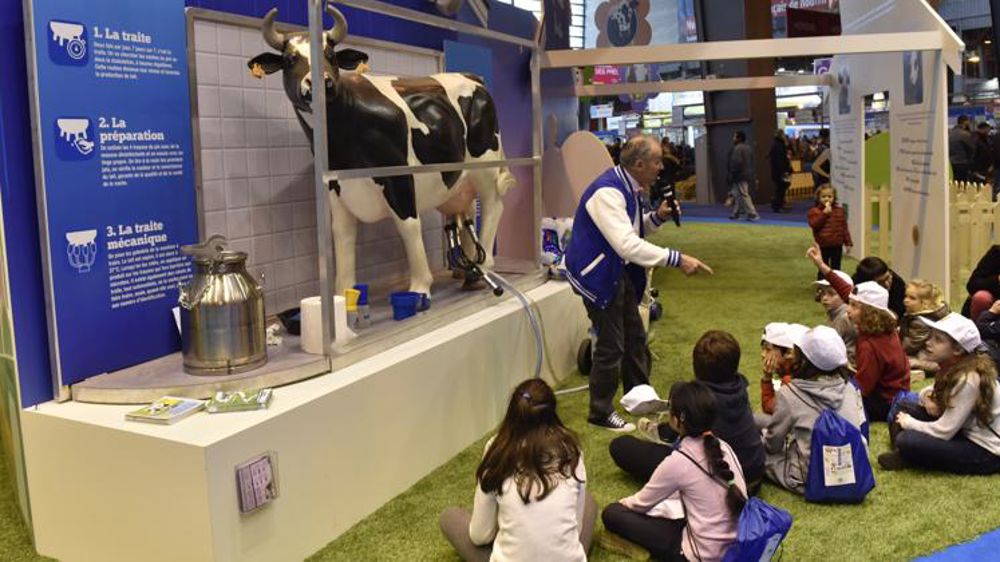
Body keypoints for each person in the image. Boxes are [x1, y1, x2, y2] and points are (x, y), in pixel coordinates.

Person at [564, 135, 713, 432]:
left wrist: (656, 217)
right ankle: (600, 411)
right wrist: (677, 258)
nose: (661, 167)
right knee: (611, 345)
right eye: (657, 161)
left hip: (616, 271)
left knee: (635, 336)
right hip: (597, 275)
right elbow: (627, 245)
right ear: (640, 163)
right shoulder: (608, 191)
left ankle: (638, 396)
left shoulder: (628, 187)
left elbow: (631, 230)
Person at [439, 379, 597, 561]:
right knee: (589, 504)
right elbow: (575, 530)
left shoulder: (496, 449)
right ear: (552, 412)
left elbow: (480, 535)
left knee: (450, 518)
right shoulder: (571, 449)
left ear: (512, 413)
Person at [602, 381, 747, 562]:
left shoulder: (678, 461)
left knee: (612, 513)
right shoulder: (725, 447)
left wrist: (623, 503)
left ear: (677, 420)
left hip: (699, 555)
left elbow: (640, 503)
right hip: (741, 542)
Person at [608, 330, 766, 493]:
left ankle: (663, 434)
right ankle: (663, 432)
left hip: (724, 484)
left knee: (620, 446)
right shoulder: (740, 386)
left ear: (696, 366)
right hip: (754, 474)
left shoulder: (698, 401)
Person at [879, 313, 1000, 474]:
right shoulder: (951, 366)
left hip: (986, 451)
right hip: (962, 431)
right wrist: (928, 399)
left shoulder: (968, 379)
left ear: (957, 349)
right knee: (904, 404)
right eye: (931, 337)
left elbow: (944, 431)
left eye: (938, 340)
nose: (928, 343)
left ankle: (907, 453)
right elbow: (927, 391)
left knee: (907, 439)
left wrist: (909, 423)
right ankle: (903, 454)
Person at [761, 325, 867, 494]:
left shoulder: (791, 393)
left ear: (803, 359)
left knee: (759, 453)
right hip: (856, 472)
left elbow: (772, 445)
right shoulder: (850, 387)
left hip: (812, 480)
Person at [809, 245, 910, 422]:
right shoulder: (884, 326)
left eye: (854, 307)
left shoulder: (869, 344)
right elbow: (847, 290)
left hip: (884, 401)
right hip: (896, 392)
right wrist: (822, 265)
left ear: (868, 312)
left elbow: (862, 388)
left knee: (829, 397)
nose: (848, 310)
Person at [757, 323, 808, 427]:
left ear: (789, 353)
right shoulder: (803, 370)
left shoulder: (790, 381)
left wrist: (767, 378)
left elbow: (769, 408)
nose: (763, 355)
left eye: (768, 350)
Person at [899, 279, 950, 376]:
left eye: (912, 298)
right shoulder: (927, 314)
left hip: (929, 357)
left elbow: (907, 347)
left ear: (925, 303)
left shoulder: (920, 323)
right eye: (906, 296)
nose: (906, 300)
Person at [807, 185, 852, 278]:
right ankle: (822, 288)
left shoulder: (839, 211)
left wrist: (848, 243)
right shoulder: (814, 211)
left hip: (837, 244)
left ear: (834, 198)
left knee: (836, 268)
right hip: (822, 245)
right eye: (823, 197)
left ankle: (836, 287)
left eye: (829, 196)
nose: (826, 199)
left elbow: (844, 228)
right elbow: (814, 224)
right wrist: (824, 214)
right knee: (823, 267)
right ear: (818, 198)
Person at [814, 270, 857, 366]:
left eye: (831, 294)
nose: (824, 298)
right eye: (822, 292)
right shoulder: (834, 313)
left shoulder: (845, 317)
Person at [853, 256, 907, 322]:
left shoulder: (898, 284)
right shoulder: (857, 285)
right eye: (880, 282)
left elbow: (897, 314)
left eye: (888, 277)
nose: (887, 284)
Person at [727, 131, 759, 222]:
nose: (733, 139)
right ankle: (736, 213)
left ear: (739, 138)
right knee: (738, 194)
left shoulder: (737, 149)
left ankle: (753, 213)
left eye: (735, 137)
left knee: (743, 194)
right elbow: (752, 162)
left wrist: (732, 174)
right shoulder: (749, 148)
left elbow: (736, 163)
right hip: (747, 174)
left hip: (740, 175)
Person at [962, 244, 1000, 321]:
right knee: (981, 298)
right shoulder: (996, 253)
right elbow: (972, 284)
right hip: (994, 307)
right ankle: (977, 330)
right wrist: (997, 279)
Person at [651, 140, 681, 209]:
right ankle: (668, 206)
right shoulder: (670, 159)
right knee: (665, 194)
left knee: (663, 194)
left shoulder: (668, 159)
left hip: (665, 178)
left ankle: (666, 206)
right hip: (668, 178)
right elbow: (678, 167)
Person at [768, 130, 792, 212]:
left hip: (776, 171)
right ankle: (778, 205)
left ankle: (778, 204)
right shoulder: (780, 146)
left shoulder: (775, 145)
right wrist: (785, 170)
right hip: (781, 171)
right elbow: (781, 160)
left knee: (779, 188)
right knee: (781, 189)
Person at [949, 115, 976, 182]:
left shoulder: (951, 133)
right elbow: (972, 149)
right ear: (965, 122)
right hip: (963, 162)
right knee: (963, 183)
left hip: (952, 163)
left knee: (955, 182)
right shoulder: (965, 134)